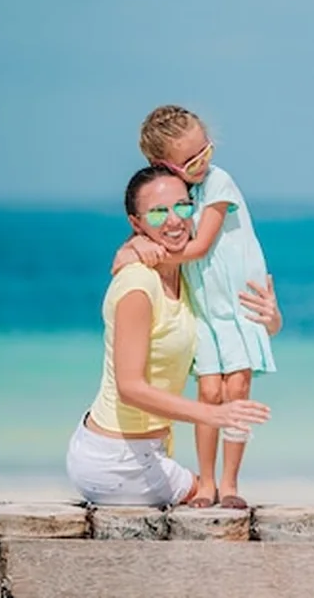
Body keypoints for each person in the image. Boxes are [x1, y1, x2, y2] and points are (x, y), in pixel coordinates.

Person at [66, 166, 273, 507]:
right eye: (159, 212)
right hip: (114, 460)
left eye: (182, 206)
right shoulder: (138, 285)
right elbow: (129, 388)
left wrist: (271, 318)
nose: (175, 220)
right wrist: (209, 414)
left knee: (215, 504)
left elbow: (230, 325)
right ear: (137, 223)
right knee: (217, 510)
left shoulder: (187, 279)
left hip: (145, 453)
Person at [111, 106, 281, 509]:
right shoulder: (173, 193)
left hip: (240, 304)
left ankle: (231, 483)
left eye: (206, 151)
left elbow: (199, 245)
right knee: (208, 391)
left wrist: (145, 253)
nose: (204, 163)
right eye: (192, 160)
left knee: (236, 388)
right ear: (162, 164)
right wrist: (134, 248)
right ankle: (206, 484)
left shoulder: (219, 182)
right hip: (204, 307)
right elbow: (153, 228)